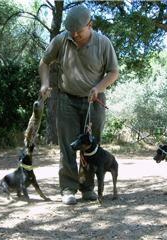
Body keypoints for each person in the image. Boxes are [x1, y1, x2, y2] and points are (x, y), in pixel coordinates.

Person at [39, 5, 119, 205]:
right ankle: (68, 189)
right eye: (71, 31)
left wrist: (98, 87)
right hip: (67, 100)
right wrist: (45, 83)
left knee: (91, 148)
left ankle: (87, 188)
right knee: (67, 146)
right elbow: (44, 62)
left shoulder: (103, 43)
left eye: (79, 31)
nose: (74, 35)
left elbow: (113, 72)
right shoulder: (62, 39)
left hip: (94, 103)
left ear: (90, 25)